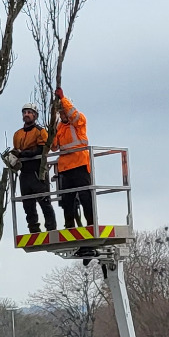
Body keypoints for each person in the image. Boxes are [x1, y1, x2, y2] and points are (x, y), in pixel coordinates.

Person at [51, 88, 94, 231]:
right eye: (60, 111)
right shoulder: (59, 127)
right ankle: (69, 226)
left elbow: (73, 114)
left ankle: (91, 224)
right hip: (65, 167)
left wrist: (62, 99)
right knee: (66, 200)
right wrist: (50, 131)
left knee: (85, 197)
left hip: (80, 164)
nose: (63, 114)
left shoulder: (79, 120)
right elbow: (54, 147)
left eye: (63, 110)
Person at [8, 105, 56, 234]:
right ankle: (33, 229)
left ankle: (51, 228)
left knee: (44, 201)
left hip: (37, 170)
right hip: (24, 172)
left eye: (29, 112)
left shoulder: (40, 132)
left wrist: (23, 154)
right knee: (27, 204)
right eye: (24, 112)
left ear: (35, 115)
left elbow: (41, 150)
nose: (26, 114)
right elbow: (16, 150)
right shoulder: (17, 134)